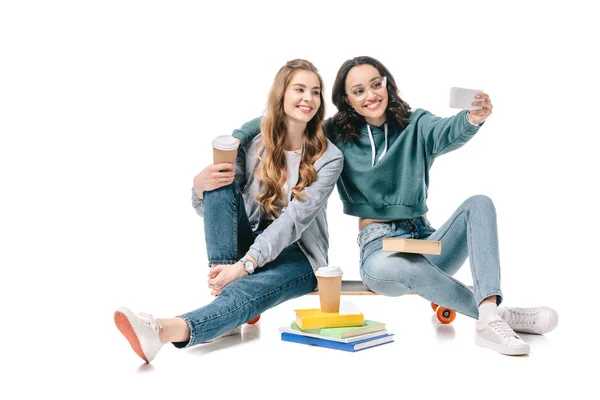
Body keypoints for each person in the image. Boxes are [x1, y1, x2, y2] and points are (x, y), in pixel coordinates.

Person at [232, 56, 558, 356]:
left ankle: (488, 316)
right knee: (406, 267)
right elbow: (273, 120)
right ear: (347, 100)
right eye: (358, 90)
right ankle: (493, 313)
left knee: (480, 203)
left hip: (426, 240)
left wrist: (472, 117)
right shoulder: (335, 135)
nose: (371, 95)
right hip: (379, 249)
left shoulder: (416, 123)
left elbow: (449, 130)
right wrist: (236, 138)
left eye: (377, 84)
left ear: (387, 84)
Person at [114, 59, 343, 363]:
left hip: (299, 255)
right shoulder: (253, 143)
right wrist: (198, 188)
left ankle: (161, 331)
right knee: (219, 180)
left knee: (249, 289)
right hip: (249, 246)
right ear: (281, 94)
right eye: (299, 89)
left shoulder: (329, 157)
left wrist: (245, 266)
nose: (308, 99)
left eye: (315, 92)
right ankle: (227, 305)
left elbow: (293, 220)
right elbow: (217, 206)